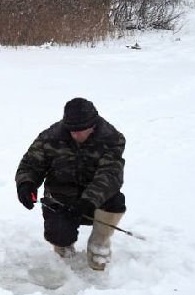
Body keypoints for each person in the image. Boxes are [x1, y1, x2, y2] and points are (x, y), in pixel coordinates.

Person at [15, 98, 126, 271]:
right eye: (72, 130)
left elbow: (110, 174)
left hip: (94, 199)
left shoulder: (111, 138)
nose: (75, 135)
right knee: (59, 234)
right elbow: (30, 164)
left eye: (81, 131)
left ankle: (99, 243)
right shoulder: (50, 137)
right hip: (61, 198)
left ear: (92, 125)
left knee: (115, 200)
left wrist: (88, 200)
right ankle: (64, 252)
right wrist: (26, 184)